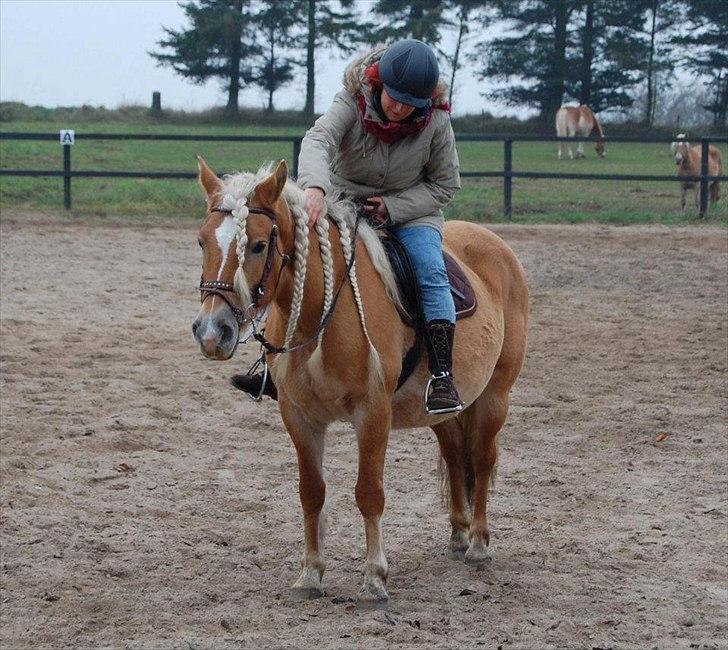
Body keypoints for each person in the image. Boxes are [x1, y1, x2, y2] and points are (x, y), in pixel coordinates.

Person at [232, 39, 462, 414]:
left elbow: (444, 185)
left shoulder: (436, 122)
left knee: (430, 270)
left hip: (410, 213)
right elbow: (319, 139)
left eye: (410, 103)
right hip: (343, 202)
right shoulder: (351, 102)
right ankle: (272, 364)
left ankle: (441, 375)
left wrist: (393, 206)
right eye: (394, 96)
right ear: (379, 83)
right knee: (297, 261)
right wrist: (316, 187)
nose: (400, 107)